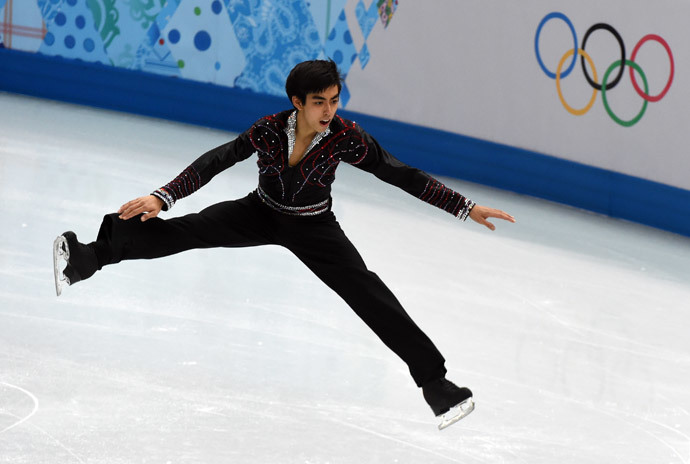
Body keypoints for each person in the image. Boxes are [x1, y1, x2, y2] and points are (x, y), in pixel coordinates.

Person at [53, 60, 515, 429]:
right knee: (182, 230)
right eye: (319, 102)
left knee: (367, 292)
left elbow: (400, 173)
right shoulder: (270, 129)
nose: (329, 111)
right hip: (260, 210)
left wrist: (464, 206)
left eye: (334, 100)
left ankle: (435, 385)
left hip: (315, 228)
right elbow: (218, 159)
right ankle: (89, 258)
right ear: (297, 102)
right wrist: (163, 194)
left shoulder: (346, 139)